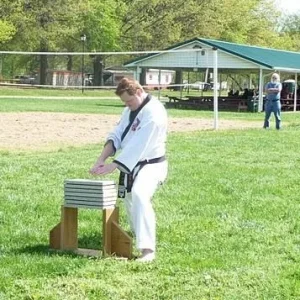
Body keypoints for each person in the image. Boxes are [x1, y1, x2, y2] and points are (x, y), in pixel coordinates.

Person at [90, 78, 168, 262]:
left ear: (139, 92)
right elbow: (117, 135)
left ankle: (148, 250)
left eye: (130, 101)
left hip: (152, 164)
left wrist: (113, 165)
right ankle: (137, 231)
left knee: (140, 194)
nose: (127, 105)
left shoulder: (155, 113)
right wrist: (101, 159)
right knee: (130, 199)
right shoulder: (129, 109)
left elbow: (138, 145)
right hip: (132, 164)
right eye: (124, 102)